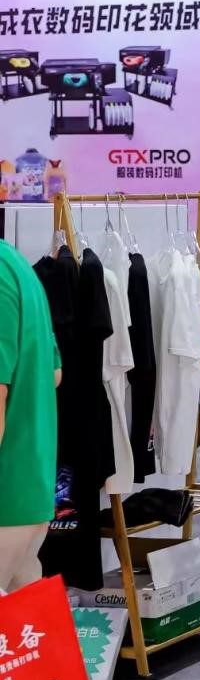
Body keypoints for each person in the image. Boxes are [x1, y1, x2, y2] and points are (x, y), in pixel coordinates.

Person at [0, 238, 61, 593]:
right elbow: (54, 374)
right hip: (30, 488)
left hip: (7, 494)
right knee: (26, 614)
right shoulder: (17, 265)